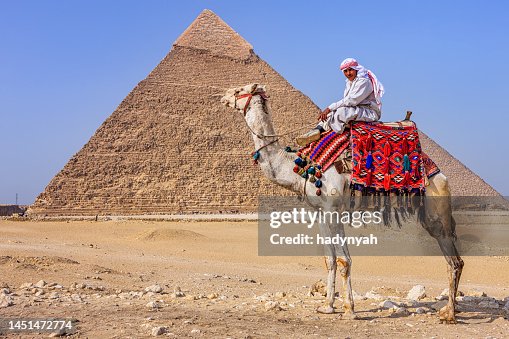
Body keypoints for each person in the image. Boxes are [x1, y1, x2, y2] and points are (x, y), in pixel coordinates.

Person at [296, 58, 385, 146]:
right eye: (345, 71)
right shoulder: (350, 82)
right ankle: (317, 130)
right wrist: (331, 110)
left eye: (350, 70)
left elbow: (351, 101)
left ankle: (330, 134)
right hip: (358, 109)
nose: (348, 73)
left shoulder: (364, 81)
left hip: (369, 112)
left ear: (356, 69)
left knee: (341, 111)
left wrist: (330, 107)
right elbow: (347, 101)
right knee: (331, 114)